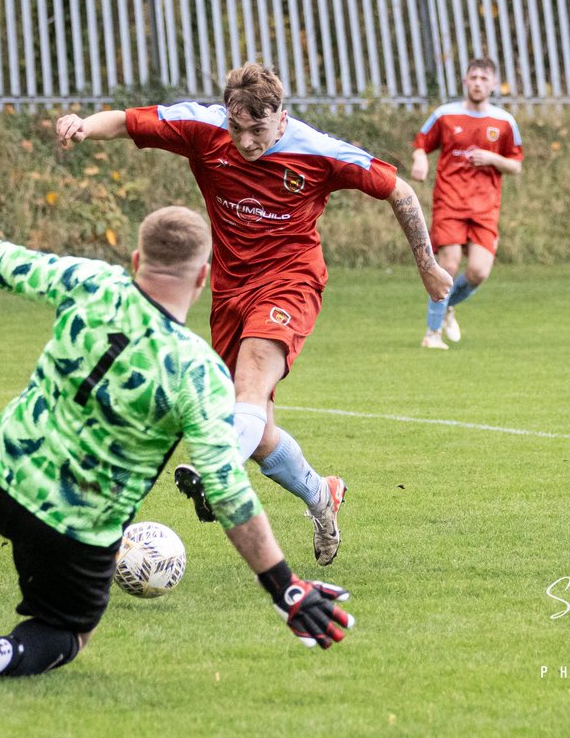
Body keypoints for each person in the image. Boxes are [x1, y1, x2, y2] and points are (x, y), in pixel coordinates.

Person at [0, 195, 354, 691]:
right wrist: (285, 587)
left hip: (7, 472)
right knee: (68, 632)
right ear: (203, 276)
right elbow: (227, 491)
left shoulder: (92, 282)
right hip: (79, 528)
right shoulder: (198, 372)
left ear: (135, 259)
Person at [55, 62, 451, 566]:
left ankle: (216, 468)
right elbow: (129, 121)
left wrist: (427, 264)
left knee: (249, 391)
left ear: (281, 117)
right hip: (229, 291)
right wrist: (83, 126)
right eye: (237, 127)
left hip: (291, 281)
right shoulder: (204, 127)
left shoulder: (317, 151)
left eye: (257, 130)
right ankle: (320, 494)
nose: (244, 141)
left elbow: (399, 190)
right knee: (255, 425)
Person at [411, 58, 523, 350]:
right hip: (450, 201)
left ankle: (447, 304)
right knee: (447, 265)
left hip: (485, 207)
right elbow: (422, 142)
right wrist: (420, 159)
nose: (478, 83)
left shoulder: (504, 122)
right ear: (465, 81)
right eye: (473, 77)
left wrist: (494, 159)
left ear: (493, 84)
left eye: (484, 78)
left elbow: (516, 165)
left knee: (478, 272)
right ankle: (431, 334)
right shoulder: (445, 115)